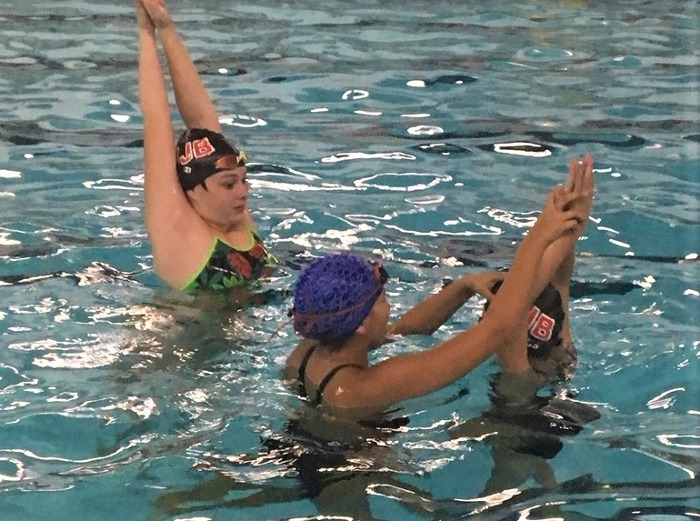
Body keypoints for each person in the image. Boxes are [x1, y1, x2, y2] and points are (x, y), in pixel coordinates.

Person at [284, 154, 595, 413]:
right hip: (350, 466)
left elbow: (403, 330)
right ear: (362, 324)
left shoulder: (310, 350)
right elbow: (497, 328)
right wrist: (540, 233)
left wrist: (463, 287)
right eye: (382, 300)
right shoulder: (368, 385)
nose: (389, 307)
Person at [136, 0, 277, 292]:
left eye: (243, 180)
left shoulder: (234, 219)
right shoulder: (178, 230)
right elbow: (157, 121)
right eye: (229, 184)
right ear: (193, 190)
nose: (243, 192)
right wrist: (146, 31)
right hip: (185, 323)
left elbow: (203, 121)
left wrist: (166, 26)